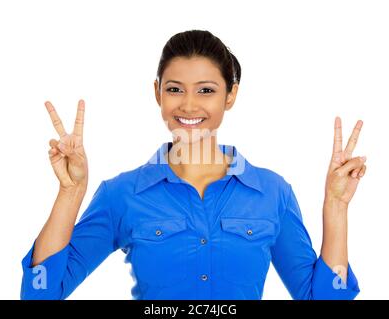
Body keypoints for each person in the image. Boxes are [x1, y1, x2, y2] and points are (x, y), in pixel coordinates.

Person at [20, 29, 366, 300]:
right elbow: (41, 292)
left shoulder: (273, 193)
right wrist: (70, 191)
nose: (188, 105)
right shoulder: (121, 195)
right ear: (157, 93)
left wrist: (336, 205)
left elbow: (323, 298)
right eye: (174, 89)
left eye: (205, 91)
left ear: (230, 96)